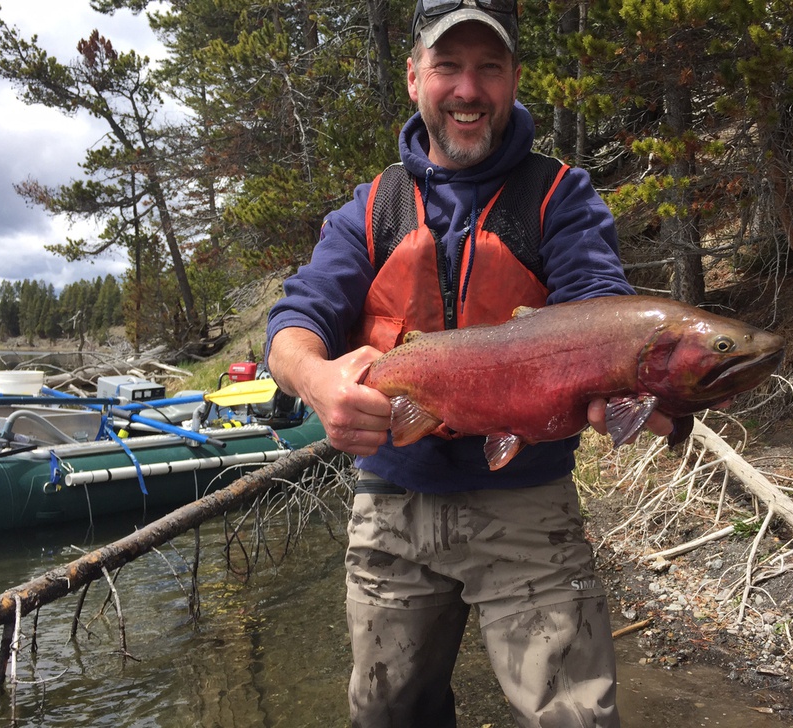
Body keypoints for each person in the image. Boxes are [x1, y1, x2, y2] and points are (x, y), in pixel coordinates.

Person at [266, 1, 672, 725]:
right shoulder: (371, 209)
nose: (468, 89)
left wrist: (636, 380)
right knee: (387, 713)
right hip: (393, 501)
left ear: (514, 80)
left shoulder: (560, 196)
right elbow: (295, 324)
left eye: (489, 67)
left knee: (574, 716)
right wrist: (316, 380)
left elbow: (599, 302)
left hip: (527, 504)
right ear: (415, 75)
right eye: (449, 65)